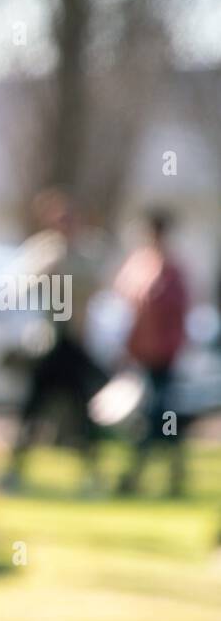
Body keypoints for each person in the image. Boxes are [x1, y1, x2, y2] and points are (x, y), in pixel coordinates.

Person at [0, 189, 106, 493]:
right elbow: (15, 284)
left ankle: (91, 475)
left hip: (75, 344)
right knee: (33, 409)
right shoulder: (46, 252)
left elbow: (98, 288)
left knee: (82, 411)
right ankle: (13, 470)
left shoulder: (87, 253)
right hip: (52, 342)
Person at [113, 208, 190, 497]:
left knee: (159, 414)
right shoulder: (138, 267)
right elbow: (123, 309)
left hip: (164, 356)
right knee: (153, 416)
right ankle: (167, 474)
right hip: (139, 354)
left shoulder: (172, 271)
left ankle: (139, 475)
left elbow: (179, 313)